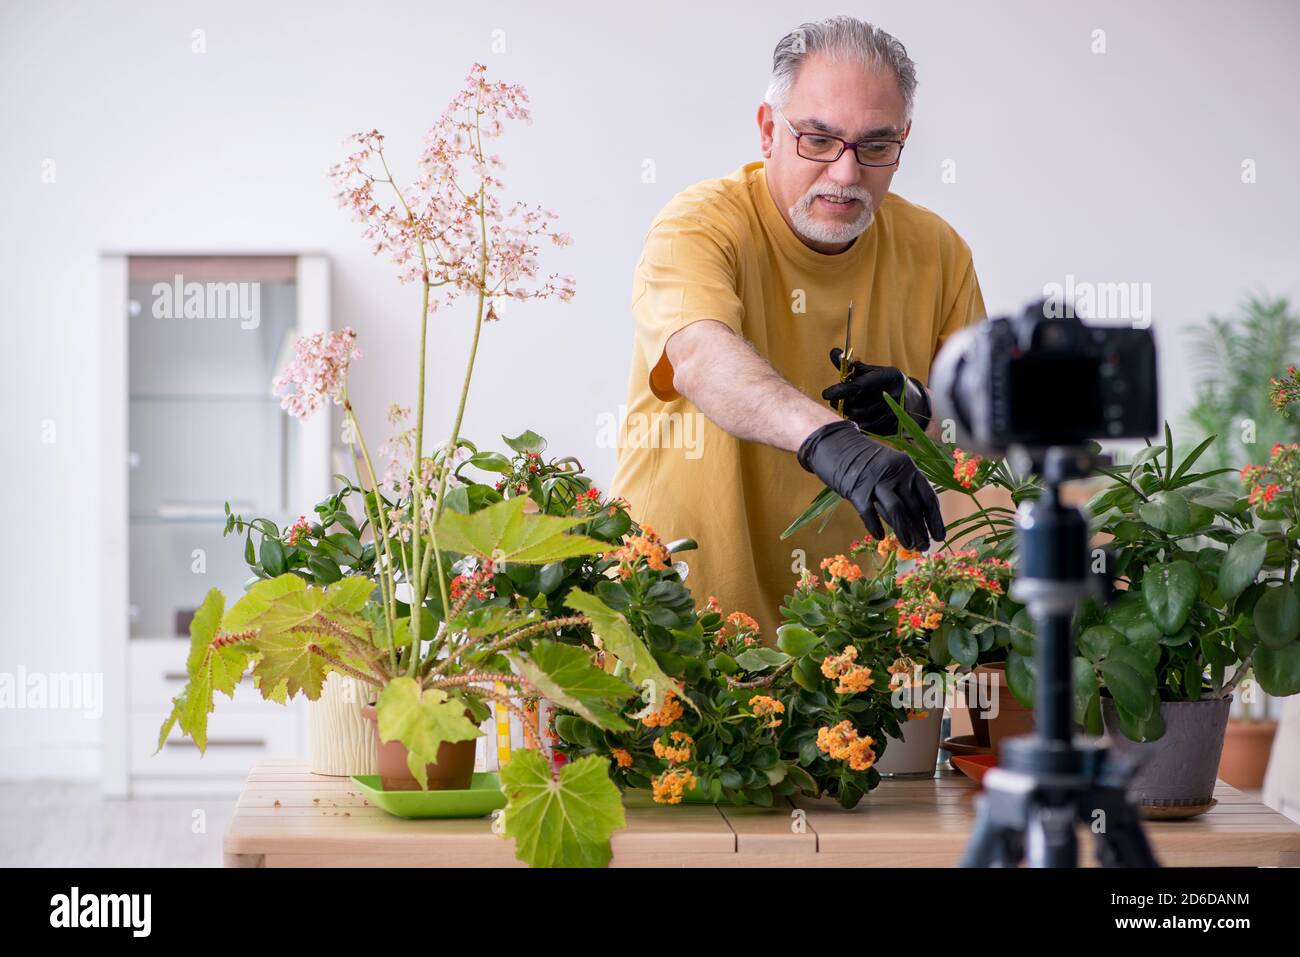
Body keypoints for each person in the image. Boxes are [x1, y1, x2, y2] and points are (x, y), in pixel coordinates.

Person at [610, 16, 987, 637]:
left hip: (856, 644)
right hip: (681, 625)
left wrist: (920, 405)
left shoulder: (939, 251)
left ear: (903, 142)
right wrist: (830, 442)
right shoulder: (698, 226)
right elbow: (702, 358)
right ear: (768, 130)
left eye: (875, 146)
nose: (845, 174)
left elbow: (984, 433)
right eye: (817, 139)